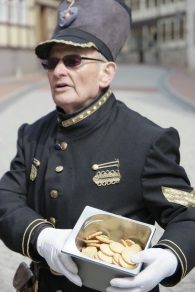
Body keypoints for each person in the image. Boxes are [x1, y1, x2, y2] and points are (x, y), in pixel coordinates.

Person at [0, 0, 194, 291]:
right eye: (51, 62)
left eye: (73, 60)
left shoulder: (147, 139)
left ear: (107, 72)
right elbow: (7, 199)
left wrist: (170, 257)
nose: (58, 71)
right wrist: (42, 237)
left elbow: (188, 214)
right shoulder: (32, 133)